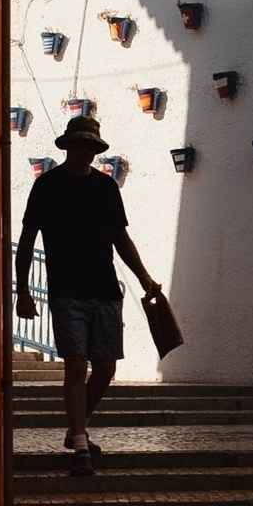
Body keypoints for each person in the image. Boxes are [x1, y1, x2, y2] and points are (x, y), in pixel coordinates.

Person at [15, 114, 160, 476]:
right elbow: (28, 239)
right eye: (80, 145)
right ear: (68, 147)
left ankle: (74, 429)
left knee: (106, 368)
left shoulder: (106, 189)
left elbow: (120, 239)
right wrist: (22, 291)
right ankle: (81, 444)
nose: (86, 152)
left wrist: (144, 277)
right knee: (77, 364)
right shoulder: (47, 186)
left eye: (91, 147)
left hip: (106, 290)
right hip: (66, 291)